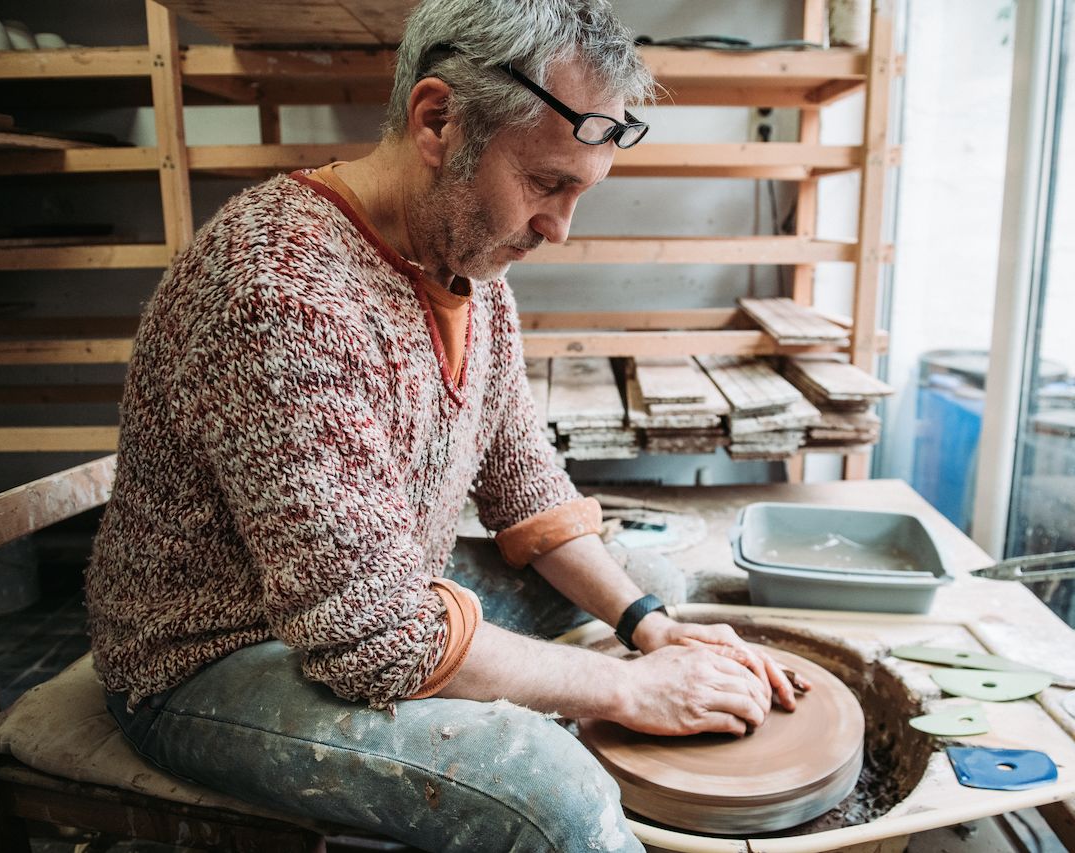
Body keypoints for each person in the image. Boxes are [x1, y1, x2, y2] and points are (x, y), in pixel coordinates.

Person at [85, 1, 797, 850]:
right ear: (437, 119)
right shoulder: (278, 293)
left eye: (580, 190)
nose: (559, 229)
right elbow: (375, 642)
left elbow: (524, 488)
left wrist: (649, 625)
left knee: (652, 581)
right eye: (546, 183)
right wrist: (627, 691)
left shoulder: (470, 267)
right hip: (209, 659)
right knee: (553, 792)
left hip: (362, 600)